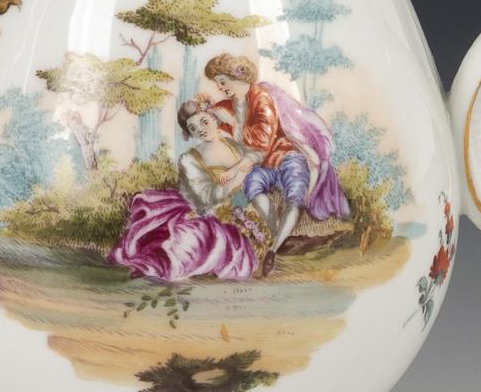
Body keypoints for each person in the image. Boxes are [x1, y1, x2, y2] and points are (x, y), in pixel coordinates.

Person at [106, 99, 269, 282]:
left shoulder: (232, 144)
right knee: (191, 240)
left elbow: (259, 153)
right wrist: (238, 176)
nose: (200, 130)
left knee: (240, 240)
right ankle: (155, 267)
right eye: (193, 128)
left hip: (237, 212)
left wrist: (246, 161)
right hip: (203, 213)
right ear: (189, 133)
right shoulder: (189, 160)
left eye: (204, 122)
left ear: (215, 120)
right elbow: (209, 197)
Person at [200, 52, 349, 253]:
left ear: (237, 77)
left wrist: (233, 123)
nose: (221, 88)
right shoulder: (229, 104)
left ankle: (274, 248)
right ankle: (278, 235)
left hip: (285, 155)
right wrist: (205, 109)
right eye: (217, 84)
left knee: (295, 193)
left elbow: (262, 140)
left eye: (223, 82)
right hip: (262, 165)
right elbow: (211, 121)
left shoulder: (261, 98)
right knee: (252, 185)